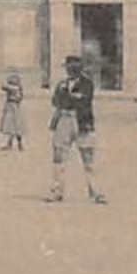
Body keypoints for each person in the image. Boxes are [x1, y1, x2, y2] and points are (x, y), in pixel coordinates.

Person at [47, 55, 106, 204]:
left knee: (88, 158)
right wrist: (71, 96)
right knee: (59, 156)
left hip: (82, 122)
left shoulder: (87, 84)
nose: (70, 71)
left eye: (73, 68)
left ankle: (95, 192)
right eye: (68, 68)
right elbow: (55, 101)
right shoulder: (62, 84)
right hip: (64, 120)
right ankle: (57, 192)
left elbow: (84, 100)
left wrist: (68, 97)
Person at [0, 72, 26, 151]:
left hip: (13, 106)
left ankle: (18, 144)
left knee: (15, 126)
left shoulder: (15, 88)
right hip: (12, 106)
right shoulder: (17, 88)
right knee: (13, 126)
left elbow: (4, 87)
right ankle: (11, 143)